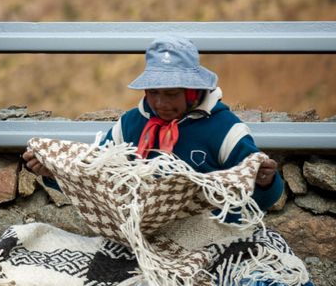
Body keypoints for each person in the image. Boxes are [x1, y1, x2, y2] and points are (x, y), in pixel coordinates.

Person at [23, 35, 282, 219]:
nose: (160, 103)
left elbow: (261, 199)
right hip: (141, 237)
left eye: (171, 94)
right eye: (153, 92)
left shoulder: (226, 130)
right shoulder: (130, 125)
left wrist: (265, 182)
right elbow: (95, 180)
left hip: (211, 234)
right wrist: (52, 173)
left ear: (193, 92)